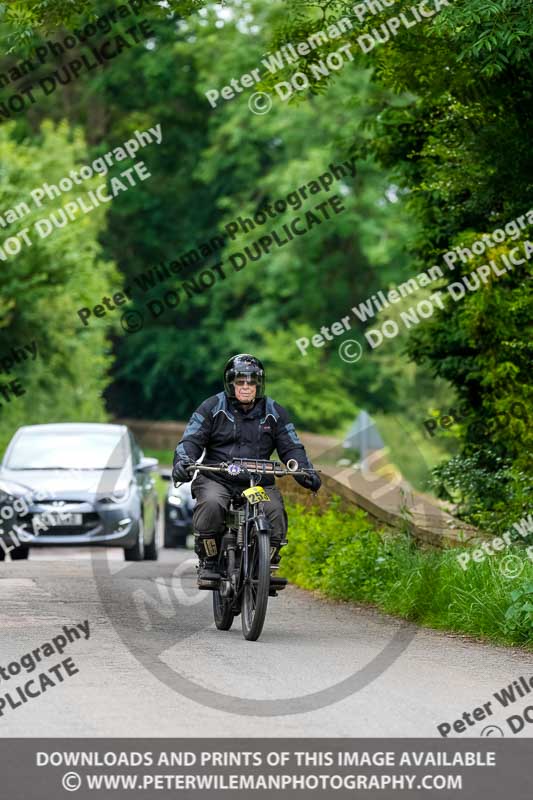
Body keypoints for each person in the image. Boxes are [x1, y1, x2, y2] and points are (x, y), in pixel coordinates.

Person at [172, 353, 321, 585]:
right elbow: (190, 441)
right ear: (230, 383)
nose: (245, 386)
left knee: (275, 514)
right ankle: (209, 561)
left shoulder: (275, 412)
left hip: (257, 483)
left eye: (251, 382)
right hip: (217, 478)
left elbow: (292, 448)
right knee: (211, 504)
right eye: (240, 381)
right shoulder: (211, 407)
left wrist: (306, 471)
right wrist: (183, 462)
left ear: (259, 384)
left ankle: (266, 566)